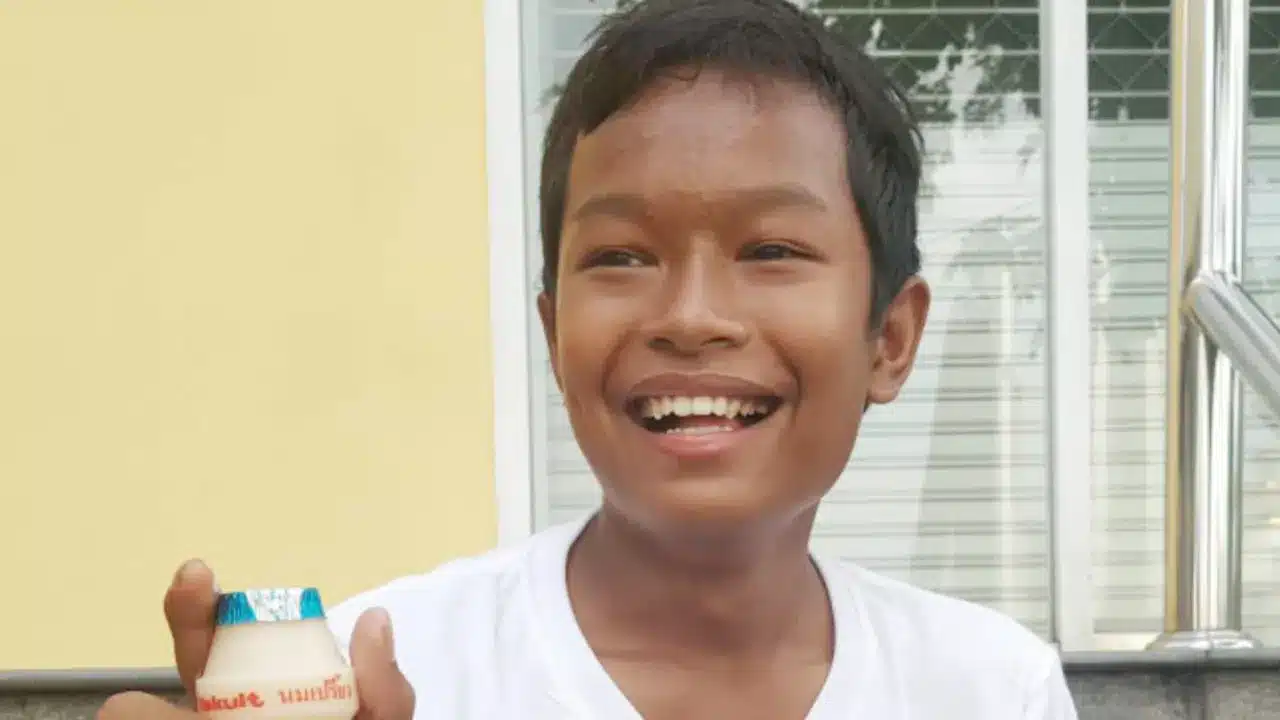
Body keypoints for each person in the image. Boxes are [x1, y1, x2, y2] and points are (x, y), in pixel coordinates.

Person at [99, 0, 1078, 718]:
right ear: (553, 334)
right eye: (620, 258)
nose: (691, 317)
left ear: (890, 339)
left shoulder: (990, 690)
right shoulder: (375, 675)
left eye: (772, 249)